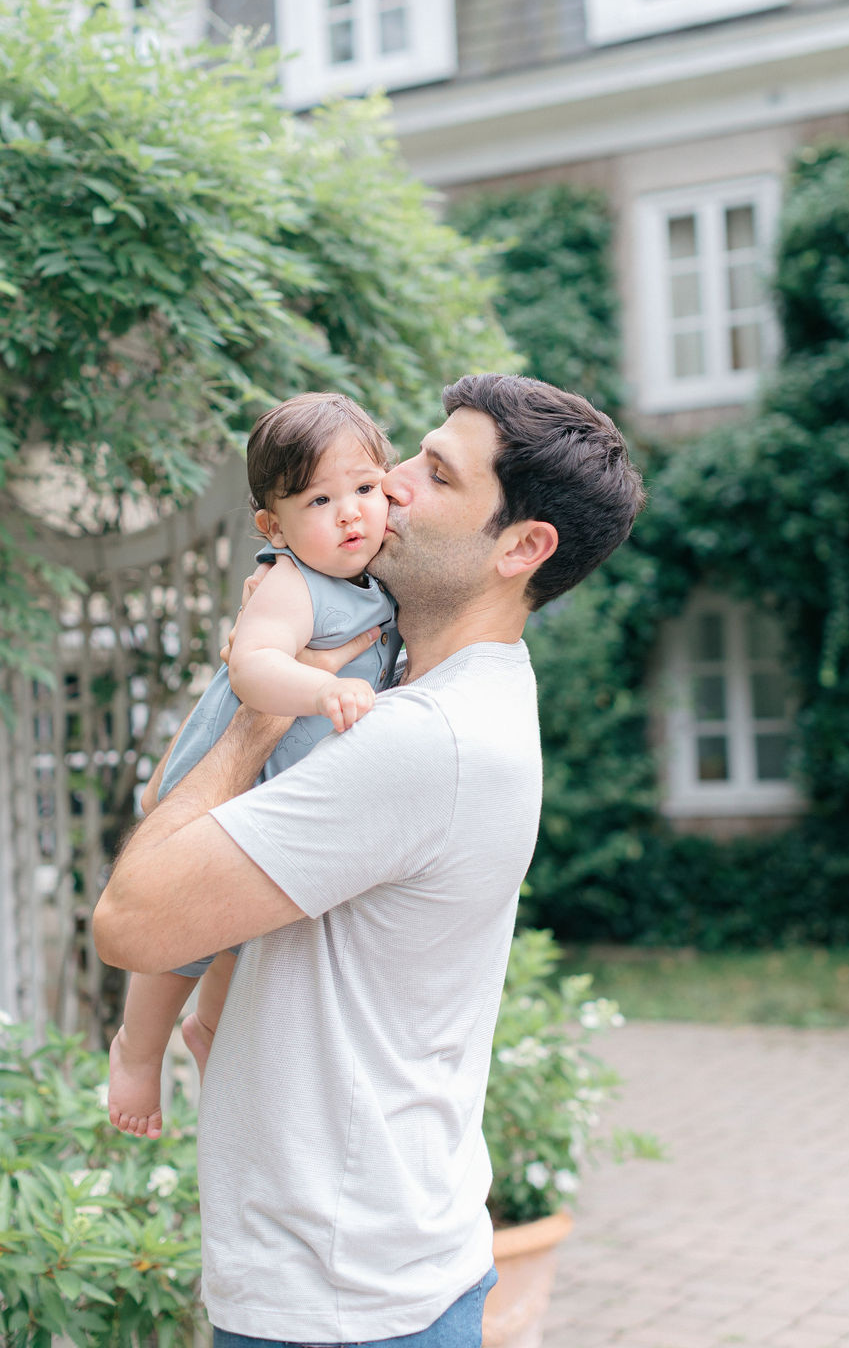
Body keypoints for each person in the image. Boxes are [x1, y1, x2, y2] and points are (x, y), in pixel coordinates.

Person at [93, 372, 645, 1348]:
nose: (385, 483)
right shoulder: (429, 691)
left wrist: (254, 721)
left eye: (433, 472)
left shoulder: (422, 740)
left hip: (341, 1299)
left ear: (521, 547)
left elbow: (134, 920)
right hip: (368, 1271)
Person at [108, 393, 403, 1138]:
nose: (350, 514)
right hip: (227, 784)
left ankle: (208, 1030)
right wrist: (323, 686)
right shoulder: (289, 583)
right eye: (320, 499)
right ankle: (137, 1052)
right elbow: (253, 668)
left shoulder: (375, 588)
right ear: (273, 527)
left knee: (243, 934)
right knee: (180, 941)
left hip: (278, 799)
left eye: (366, 489)